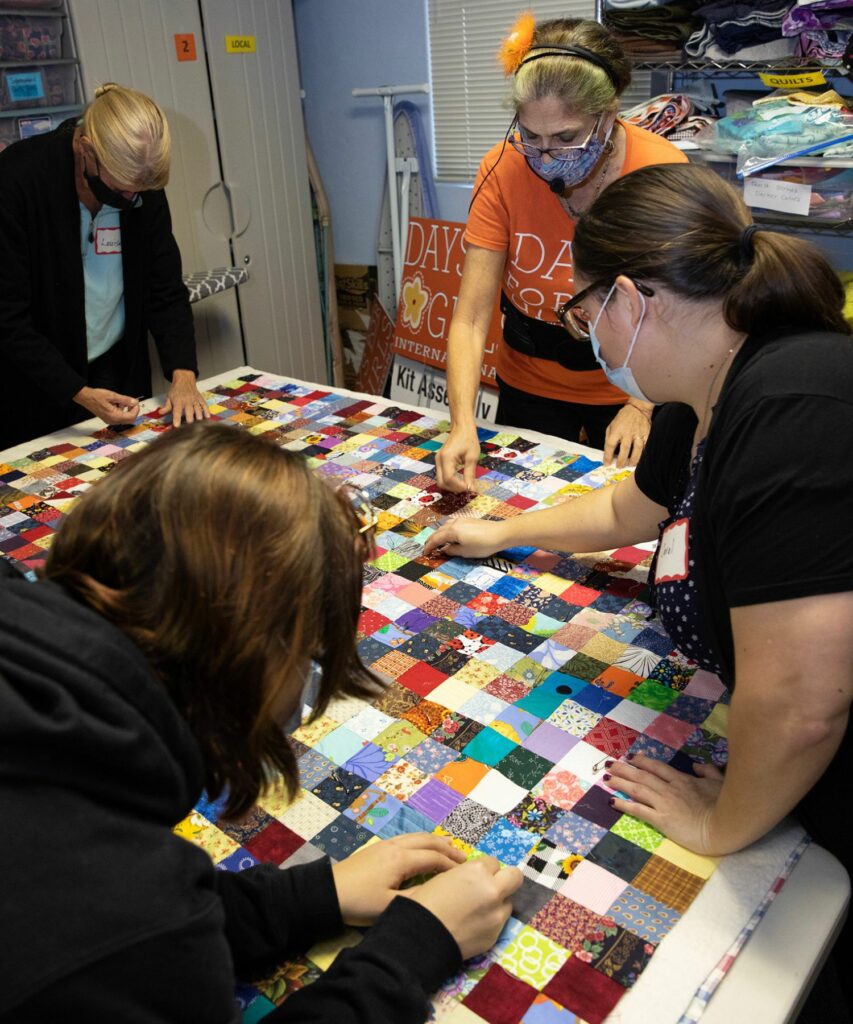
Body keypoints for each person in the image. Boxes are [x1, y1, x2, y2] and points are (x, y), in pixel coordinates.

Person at [0, 422, 522, 1023]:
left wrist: (309, 898)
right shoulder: (128, 915)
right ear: (254, 653)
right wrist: (414, 947)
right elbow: (121, 930)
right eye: (309, 653)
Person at [426, 163, 853, 879]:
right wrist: (503, 533)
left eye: (581, 313)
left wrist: (720, 823)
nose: (583, 335)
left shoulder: (791, 412)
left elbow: (802, 707)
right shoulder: (698, 388)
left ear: (626, 298)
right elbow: (633, 505)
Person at [435, 16, 688, 492]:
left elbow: (679, 313)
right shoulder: (503, 168)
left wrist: (640, 407)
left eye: (568, 138)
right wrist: (462, 424)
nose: (547, 157)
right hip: (528, 387)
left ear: (609, 114)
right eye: (532, 135)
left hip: (637, 391)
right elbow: (470, 318)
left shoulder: (659, 169)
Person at [0, 83, 209, 451]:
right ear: (87, 151)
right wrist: (77, 392)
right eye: (121, 189)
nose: (132, 199)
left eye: (140, 192)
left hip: (116, 368)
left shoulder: (140, 185)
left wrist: (183, 373)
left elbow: (164, 288)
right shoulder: (17, 180)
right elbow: (7, 318)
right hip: (34, 386)